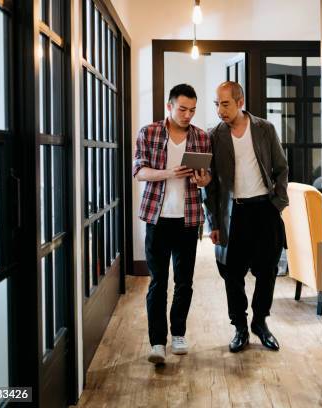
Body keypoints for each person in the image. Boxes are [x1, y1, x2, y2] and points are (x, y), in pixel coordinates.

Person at [205, 81, 288, 353]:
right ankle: (239, 325)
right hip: (233, 213)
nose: (220, 110)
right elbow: (212, 186)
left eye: (225, 104)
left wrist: (278, 202)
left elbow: (281, 167)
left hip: (264, 210)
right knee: (232, 273)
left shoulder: (265, 129)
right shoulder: (213, 135)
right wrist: (214, 223)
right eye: (216, 104)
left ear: (240, 102)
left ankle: (260, 322)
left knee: (267, 271)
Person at [133, 84, 211, 364]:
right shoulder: (149, 132)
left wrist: (203, 180)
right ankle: (157, 342)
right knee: (158, 282)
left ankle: (178, 333)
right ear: (169, 106)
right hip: (157, 219)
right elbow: (140, 172)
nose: (188, 114)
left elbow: (208, 176)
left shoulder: (201, 137)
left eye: (192, 110)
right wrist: (169, 172)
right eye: (182, 109)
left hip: (189, 220)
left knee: (185, 282)